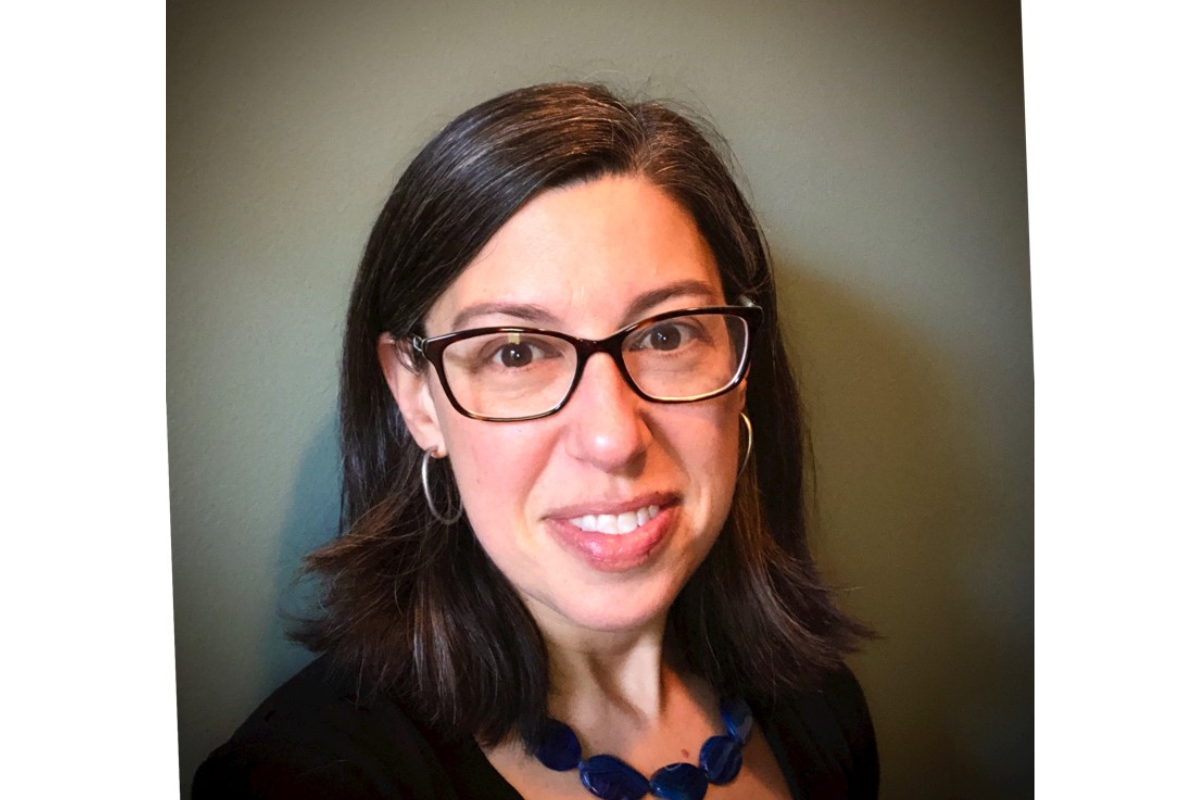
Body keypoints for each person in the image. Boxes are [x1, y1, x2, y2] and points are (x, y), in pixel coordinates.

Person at [193, 82, 878, 800]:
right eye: (515, 353)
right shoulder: (301, 779)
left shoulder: (820, 706)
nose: (613, 437)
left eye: (668, 336)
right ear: (418, 398)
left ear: (740, 370)